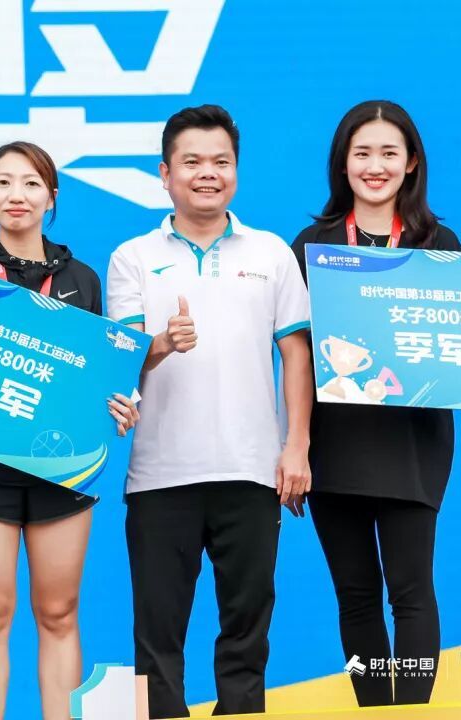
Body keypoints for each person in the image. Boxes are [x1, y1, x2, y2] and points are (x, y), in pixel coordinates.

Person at [290, 100, 461, 707]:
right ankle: (374, 710)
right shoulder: (312, 245)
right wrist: (296, 446)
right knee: (355, 597)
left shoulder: (440, 243)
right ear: (343, 163)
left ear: (411, 163)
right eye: (362, 153)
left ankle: (410, 711)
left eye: (389, 153)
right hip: (334, 445)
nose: (375, 166)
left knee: (411, 592)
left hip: (412, 445)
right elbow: (297, 355)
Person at [107, 105, 314, 718]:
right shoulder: (132, 257)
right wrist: (162, 343)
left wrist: (296, 446)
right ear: (165, 173)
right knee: (156, 641)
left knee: (247, 635)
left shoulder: (272, 253)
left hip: (252, 471)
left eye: (221, 162)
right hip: (159, 476)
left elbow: (296, 355)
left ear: (236, 171)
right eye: (192, 162)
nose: (207, 173)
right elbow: (120, 359)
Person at [0, 141, 140, 720]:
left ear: (51, 197)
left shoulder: (82, 278)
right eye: (3, 183)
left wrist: (120, 405)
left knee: (58, 612)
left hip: (64, 466)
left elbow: (98, 373)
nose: (17, 195)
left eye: (31, 183)